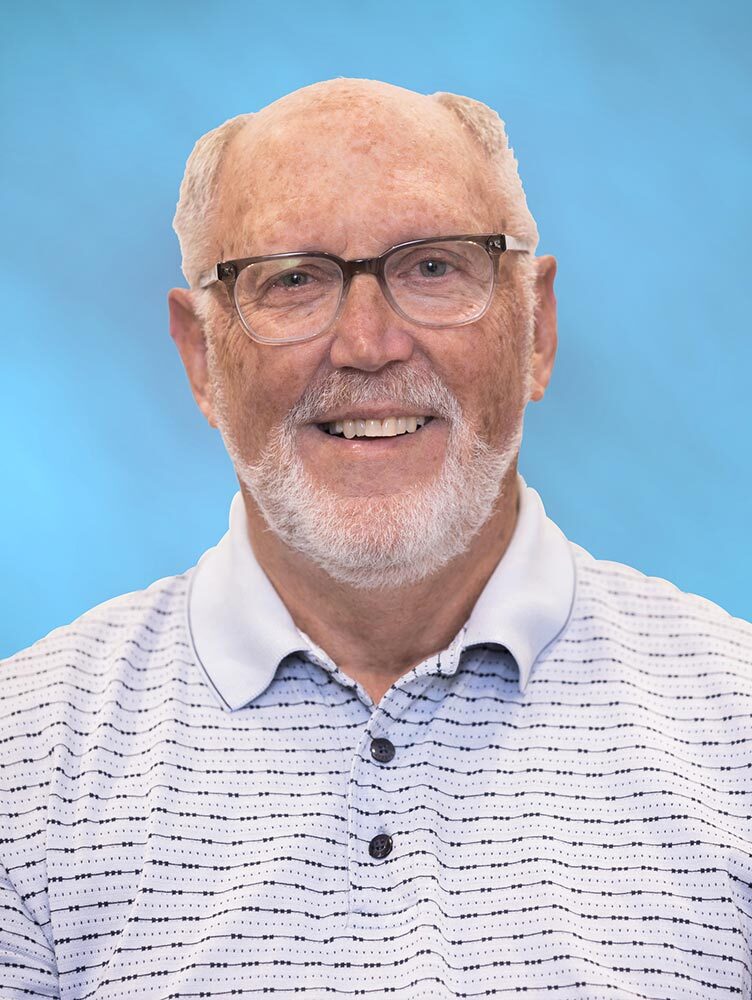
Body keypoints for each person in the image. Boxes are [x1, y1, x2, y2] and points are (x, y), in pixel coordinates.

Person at [1, 77, 750, 1000]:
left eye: (435, 267)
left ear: (538, 332)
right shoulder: (24, 764)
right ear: (201, 359)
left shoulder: (736, 732)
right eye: (293, 280)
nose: (368, 343)